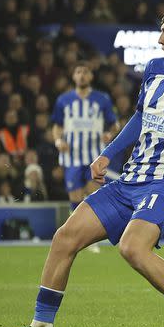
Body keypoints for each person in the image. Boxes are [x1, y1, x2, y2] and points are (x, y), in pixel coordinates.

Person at [0, 4, 164, 327]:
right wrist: (108, 153)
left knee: (132, 248)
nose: (160, 38)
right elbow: (140, 117)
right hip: (130, 179)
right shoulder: (154, 68)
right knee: (65, 238)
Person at [51, 64, 118, 252]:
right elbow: (57, 126)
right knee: (75, 199)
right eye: (78, 72)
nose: (81, 75)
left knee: (90, 197)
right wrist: (58, 141)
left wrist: (109, 134)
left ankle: (90, 239)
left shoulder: (102, 99)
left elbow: (115, 124)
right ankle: (75, 235)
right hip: (71, 157)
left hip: (94, 156)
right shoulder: (63, 100)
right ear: (73, 76)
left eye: (85, 72)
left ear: (91, 76)